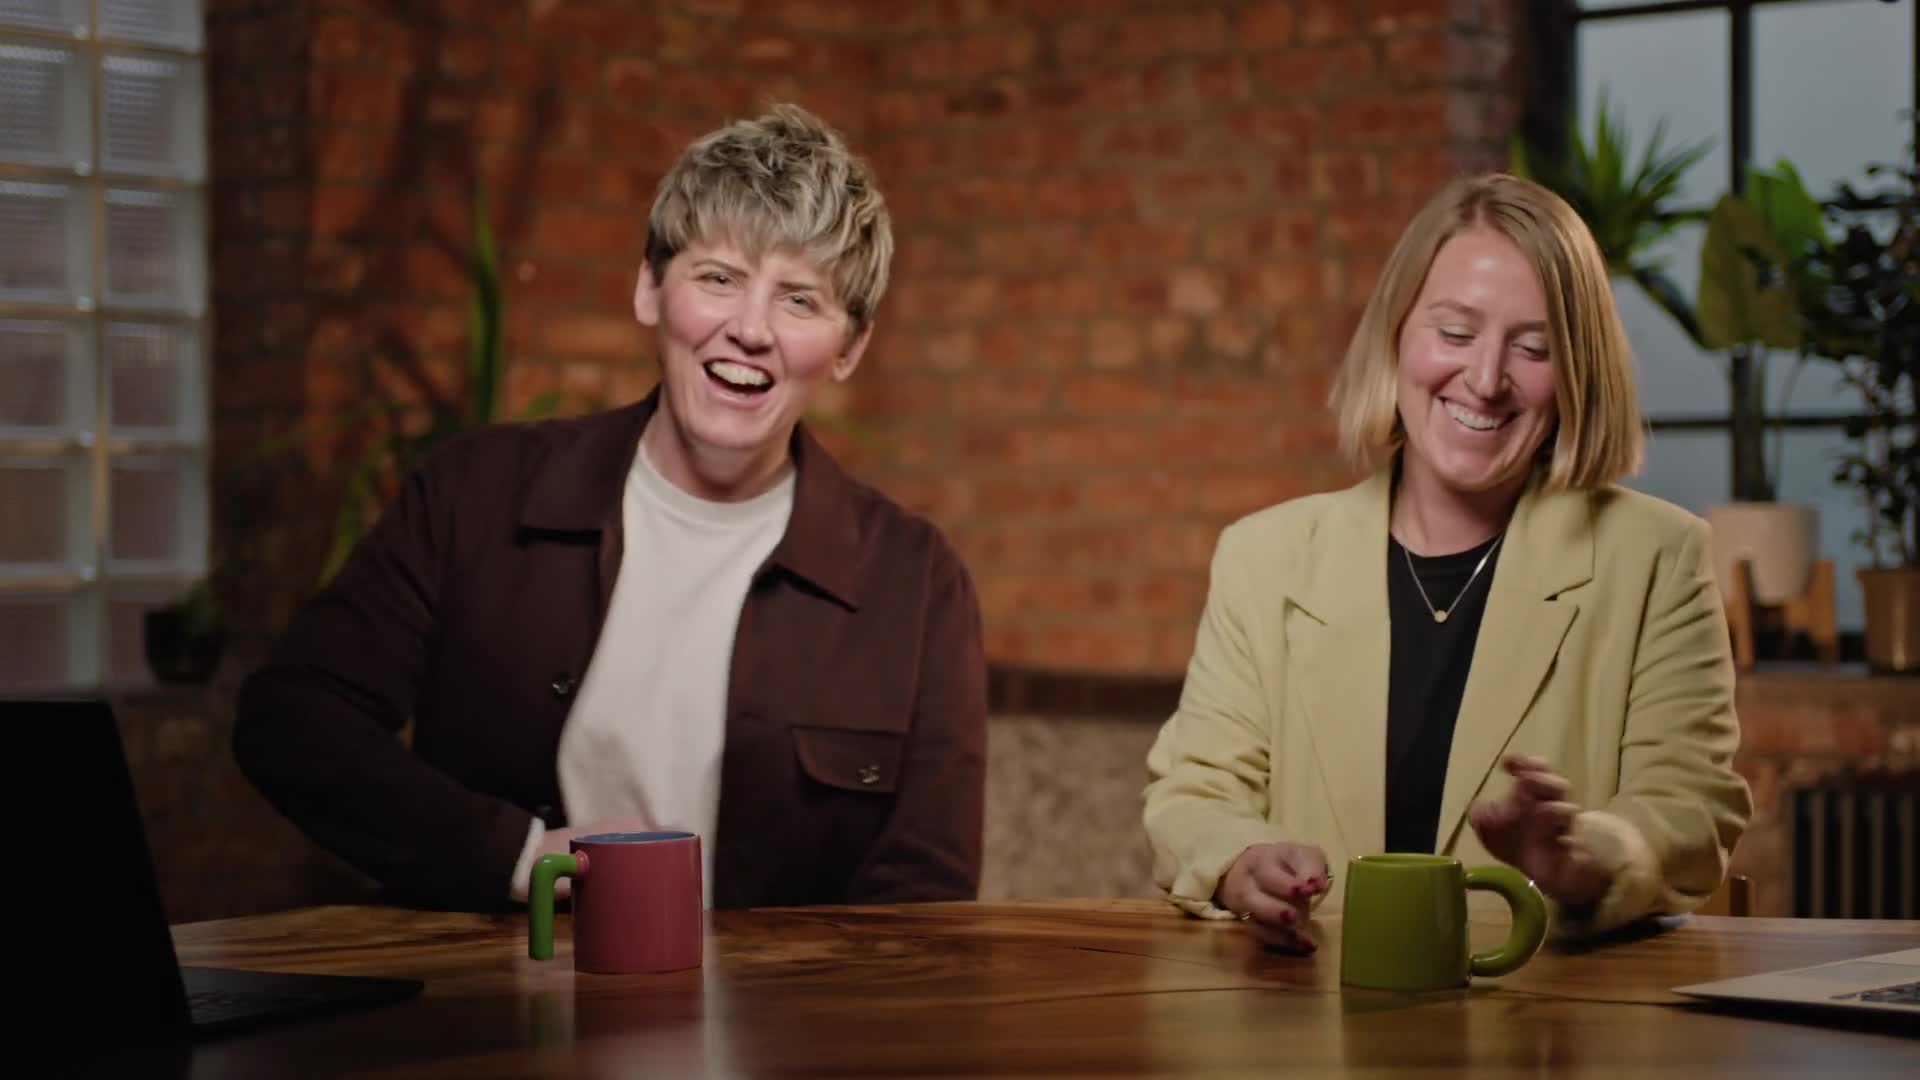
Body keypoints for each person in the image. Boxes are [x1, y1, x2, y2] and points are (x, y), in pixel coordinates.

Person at [234, 104, 987, 912]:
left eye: (800, 300)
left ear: (849, 349)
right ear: (649, 289)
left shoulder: (915, 581)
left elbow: (925, 893)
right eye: (719, 278)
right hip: (495, 989)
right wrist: (512, 858)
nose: (750, 329)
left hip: (775, 1002)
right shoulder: (475, 493)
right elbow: (294, 719)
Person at [1141, 173, 1752, 951]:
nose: (1487, 380)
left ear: (1577, 371)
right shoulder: (1263, 557)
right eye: (1456, 334)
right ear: (1396, 333)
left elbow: (1691, 807)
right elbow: (1194, 793)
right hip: (1310, 1009)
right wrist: (1240, 860)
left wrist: (1587, 859)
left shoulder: (1659, 557)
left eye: (1534, 348)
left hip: (1545, 1014)